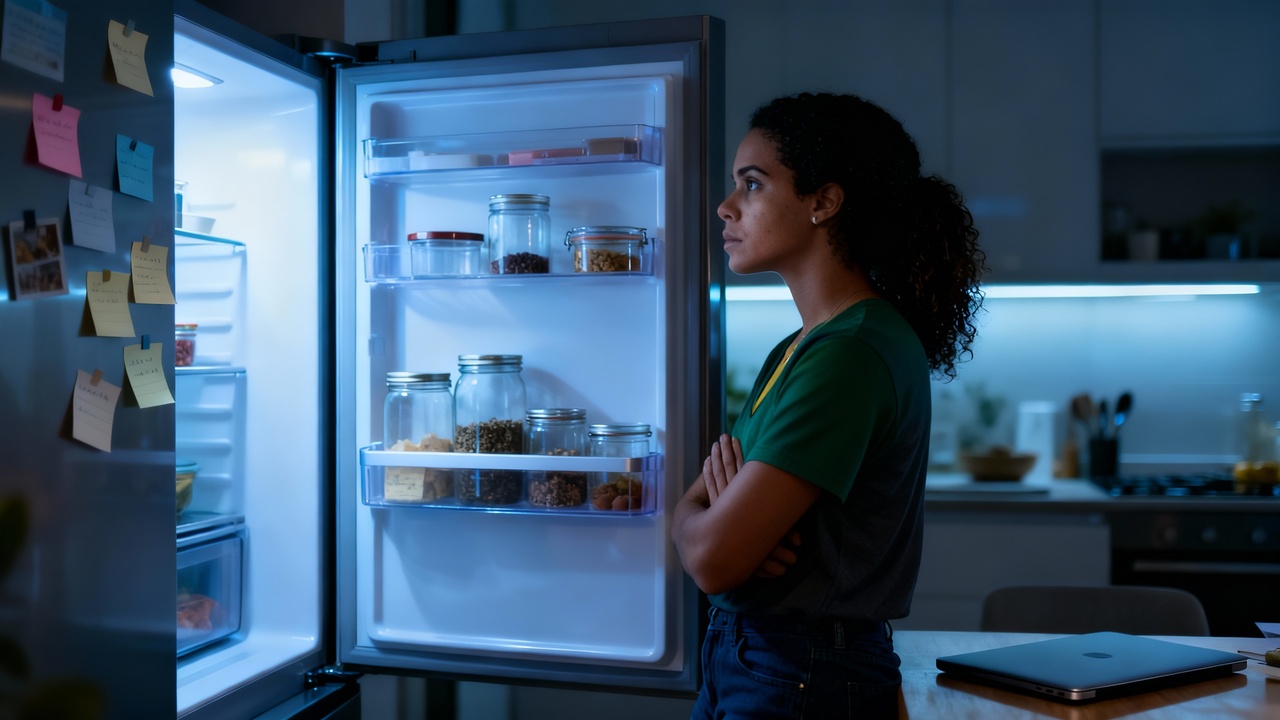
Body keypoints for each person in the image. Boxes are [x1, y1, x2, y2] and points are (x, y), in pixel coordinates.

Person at [671, 92, 985, 719]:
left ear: (824, 202)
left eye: (752, 184)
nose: (725, 207)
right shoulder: (802, 347)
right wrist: (702, 518)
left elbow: (712, 558)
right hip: (756, 659)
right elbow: (712, 529)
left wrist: (702, 524)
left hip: (800, 673)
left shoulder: (853, 354)